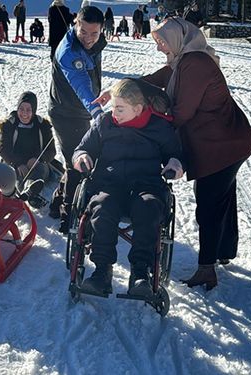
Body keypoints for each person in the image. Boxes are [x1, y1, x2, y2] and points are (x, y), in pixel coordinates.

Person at [93, 18, 251, 290]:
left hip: (223, 143)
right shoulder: (182, 61)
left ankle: (207, 268)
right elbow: (153, 81)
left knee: (209, 202)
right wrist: (119, 91)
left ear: (176, 38)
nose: (159, 49)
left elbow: (180, 113)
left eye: (161, 43)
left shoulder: (195, 64)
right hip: (224, 140)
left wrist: (143, 118)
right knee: (223, 197)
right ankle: (223, 250)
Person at [73, 78, 183, 297]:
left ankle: (140, 273)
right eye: (113, 107)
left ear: (138, 108)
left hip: (146, 185)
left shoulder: (159, 127)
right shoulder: (104, 123)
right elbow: (81, 149)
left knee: (149, 207)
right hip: (109, 184)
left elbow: (176, 154)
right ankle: (102, 272)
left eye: (120, 108)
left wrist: (174, 163)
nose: (115, 113)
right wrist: (82, 156)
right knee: (102, 207)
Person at [48, 6, 106, 233]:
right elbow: (82, 85)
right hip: (65, 113)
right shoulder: (69, 52)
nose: (89, 39)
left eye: (95, 33)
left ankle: (56, 203)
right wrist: (97, 112)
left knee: (76, 159)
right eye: (84, 32)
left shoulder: (89, 43)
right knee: (78, 162)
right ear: (75, 24)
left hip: (79, 111)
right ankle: (67, 214)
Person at [0, 92, 56, 208]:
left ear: (33, 110)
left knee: (41, 168)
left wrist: (39, 159)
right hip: (14, 161)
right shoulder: (9, 124)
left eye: (28, 110)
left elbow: (51, 150)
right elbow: (4, 149)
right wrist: (18, 163)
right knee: (14, 173)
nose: (24, 113)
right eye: (21, 109)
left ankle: (29, 189)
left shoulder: (42, 125)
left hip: (36, 162)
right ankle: (30, 194)